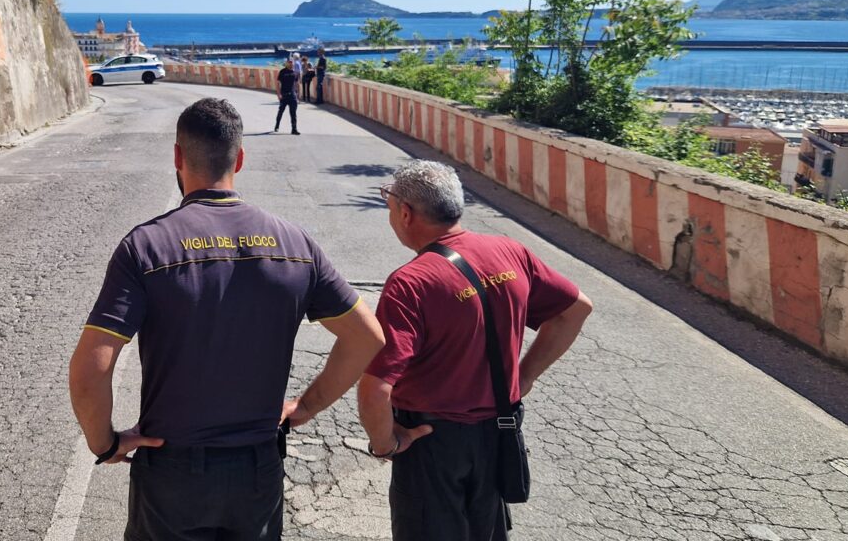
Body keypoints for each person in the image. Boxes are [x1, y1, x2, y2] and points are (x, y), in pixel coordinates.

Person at [69, 97, 385, 540]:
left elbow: (90, 370)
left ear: (178, 157)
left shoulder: (146, 247)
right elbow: (367, 338)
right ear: (240, 158)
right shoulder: (296, 244)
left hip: (172, 471)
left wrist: (104, 443)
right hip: (257, 468)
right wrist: (306, 406)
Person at [357, 160, 593, 541]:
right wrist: (524, 375)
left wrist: (386, 445)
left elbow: (375, 389)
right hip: (499, 432)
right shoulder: (510, 251)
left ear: (405, 213)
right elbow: (576, 308)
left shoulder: (411, 282)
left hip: (431, 439)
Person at [275, 58, 300, 134]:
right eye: (289, 63)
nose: (291, 64)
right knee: (281, 111)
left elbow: (297, 84)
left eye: (292, 63)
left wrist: (298, 95)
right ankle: (277, 125)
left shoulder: (295, 73)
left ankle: (294, 129)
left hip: (292, 95)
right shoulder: (282, 72)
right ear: (286, 63)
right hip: (284, 95)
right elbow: (278, 84)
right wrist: (278, 94)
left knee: (293, 113)